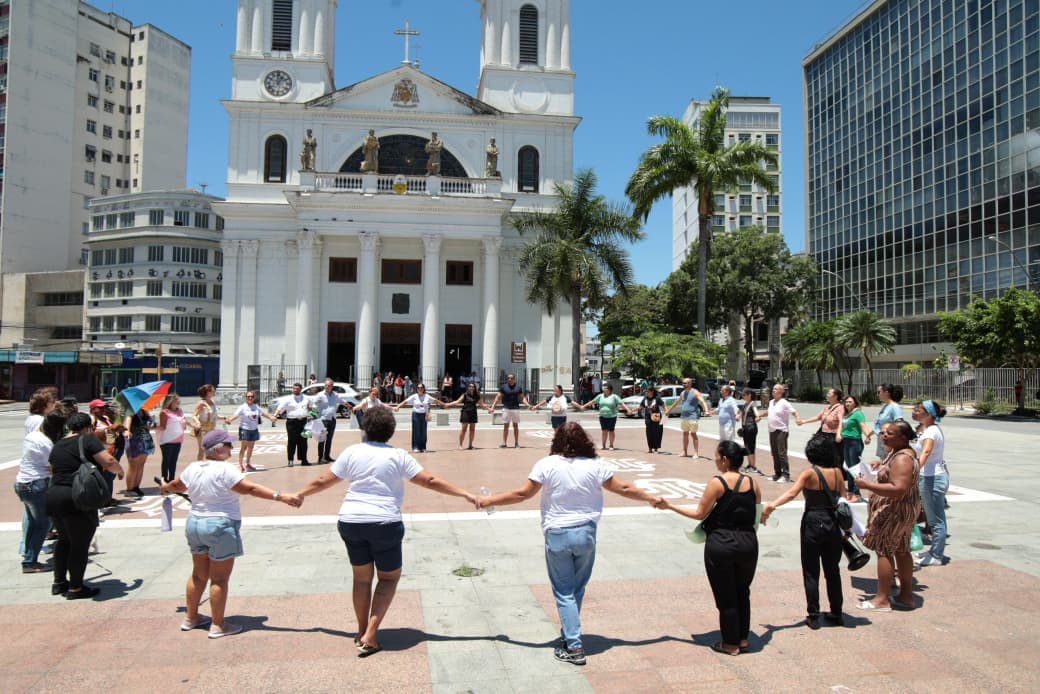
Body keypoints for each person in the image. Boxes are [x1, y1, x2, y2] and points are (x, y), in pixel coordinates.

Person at [293, 407, 476, 656]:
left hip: (351, 520)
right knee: (388, 578)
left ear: (365, 428)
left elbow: (323, 480)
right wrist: (465, 494)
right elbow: (429, 481)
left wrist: (299, 495)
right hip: (384, 523)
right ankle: (371, 633)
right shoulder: (398, 456)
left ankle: (360, 630)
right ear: (391, 431)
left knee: (361, 578)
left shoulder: (352, 452)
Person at [477, 422, 664, 665]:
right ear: (584, 441)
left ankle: (574, 646)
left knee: (563, 591)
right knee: (577, 587)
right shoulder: (596, 465)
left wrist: (489, 500)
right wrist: (651, 497)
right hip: (586, 533)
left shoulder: (547, 464)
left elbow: (522, 494)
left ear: (557, 441)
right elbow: (624, 487)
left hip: (557, 533)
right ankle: (569, 633)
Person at [161, 430, 301, 638]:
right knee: (219, 579)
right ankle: (218, 625)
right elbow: (249, 488)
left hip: (195, 523)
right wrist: (280, 497)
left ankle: (191, 618)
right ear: (217, 449)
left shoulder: (193, 467)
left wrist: (165, 488)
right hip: (219, 525)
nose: (231, 448)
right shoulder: (226, 470)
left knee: (198, 574)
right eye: (227, 445)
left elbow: (176, 485)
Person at [660, 441, 761, 656]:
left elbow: (699, 513)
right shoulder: (753, 483)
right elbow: (757, 516)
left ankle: (730, 644)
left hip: (722, 543)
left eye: (716, 456)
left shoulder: (717, 483)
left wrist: (669, 505)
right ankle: (743, 638)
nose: (715, 459)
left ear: (724, 459)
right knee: (743, 591)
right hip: (748, 542)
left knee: (726, 595)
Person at [761, 433, 847, 629]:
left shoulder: (809, 473)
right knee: (833, 570)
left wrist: (771, 505)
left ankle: (814, 614)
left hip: (813, 521)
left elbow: (792, 493)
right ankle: (837, 612)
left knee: (811, 571)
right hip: (833, 523)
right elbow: (843, 500)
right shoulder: (837, 472)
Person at [45, 412, 124, 598]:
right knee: (79, 544)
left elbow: (51, 468)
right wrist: (119, 470)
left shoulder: (57, 445)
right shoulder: (87, 440)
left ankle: (59, 583)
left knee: (63, 540)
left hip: (54, 496)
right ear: (88, 427)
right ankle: (76, 588)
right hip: (76, 497)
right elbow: (109, 460)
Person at [855, 419, 921, 611]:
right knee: (901, 549)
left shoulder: (902, 458)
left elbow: (898, 488)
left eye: (889, 433)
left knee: (884, 550)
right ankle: (906, 596)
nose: (884, 436)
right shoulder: (898, 453)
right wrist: (881, 465)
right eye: (883, 432)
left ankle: (882, 599)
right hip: (903, 509)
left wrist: (867, 485)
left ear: (903, 437)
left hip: (895, 511)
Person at [16, 408, 68, 573]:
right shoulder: (47, 443)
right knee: (43, 524)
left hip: (21, 483)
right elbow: (52, 467)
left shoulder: (32, 436)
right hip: (37, 484)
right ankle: (30, 562)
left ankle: (28, 555)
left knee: (33, 522)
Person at [911, 400, 949, 567]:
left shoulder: (931, 432)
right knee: (933, 518)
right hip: (930, 477)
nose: (914, 411)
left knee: (936, 520)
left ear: (927, 414)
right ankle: (934, 551)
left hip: (932, 479)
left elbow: (925, 452)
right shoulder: (928, 429)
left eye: (918, 410)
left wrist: (914, 469)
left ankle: (936, 555)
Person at [225, 391, 276, 472]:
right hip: (245, 429)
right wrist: (230, 420)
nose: (250, 398)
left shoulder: (256, 407)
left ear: (254, 397)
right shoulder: (242, 407)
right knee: (244, 447)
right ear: (246, 397)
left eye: (252, 396)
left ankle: (248, 464)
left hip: (254, 429)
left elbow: (263, 414)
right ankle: (241, 465)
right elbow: (236, 415)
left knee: (251, 448)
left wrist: (271, 417)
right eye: (248, 396)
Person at [836, 395, 872, 502]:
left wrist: (868, 436)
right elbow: (841, 426)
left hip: (854, 443)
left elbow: (863, 426)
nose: (848, 404)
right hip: (846, 442)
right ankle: (850, 492)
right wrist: (839, 434)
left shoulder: (858, 414)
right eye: (846, 402)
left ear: (855, 403)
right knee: (848, 468)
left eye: (850, 402)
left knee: (855, 469)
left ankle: (857, 494)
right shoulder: (847, 415)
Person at [762, 384, 799, 483]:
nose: (773, 390)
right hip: (772, 430)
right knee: (774, 453)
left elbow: (794, 412)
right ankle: (777, 474)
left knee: (781, 453)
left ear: (781, 391)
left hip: (781, 431)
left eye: (776, 389)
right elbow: (769, 412)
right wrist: (760, 416)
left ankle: (786, 475)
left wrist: (798, 419)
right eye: (773, 388)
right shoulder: (771, 402)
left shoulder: (784, 403)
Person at [394, 383, 446, 453]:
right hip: (416, 414)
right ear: (417, 389)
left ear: (423, 389)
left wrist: (444, 404)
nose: (420, 389)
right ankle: (415, 447)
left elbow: (435, 401)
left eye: (421, 387)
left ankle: (423, 447)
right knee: (416, 431)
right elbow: (405, 402)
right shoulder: (414, 396)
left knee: (423, 432)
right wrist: (398, 406)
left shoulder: (427, 396)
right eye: (418, 388)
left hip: (424, 415)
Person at [666, 378, 711, 458]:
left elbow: (702, 401)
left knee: (693, 434)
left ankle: (696, 453)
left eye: (686, 383)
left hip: (692, 416)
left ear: (690, 383)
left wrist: (706, 410)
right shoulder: (683, 393)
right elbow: (676, 403)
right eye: (683, 383)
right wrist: (668, 411)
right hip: (684, 416)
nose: (684, 384)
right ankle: (684, 452)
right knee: (685, 434)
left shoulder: (695, 392)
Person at [579, 383, 630, 450]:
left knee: (611, 431)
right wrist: (584, 406)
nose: (603, 389)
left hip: (612, 416)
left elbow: (622, 403)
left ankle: (611, 445)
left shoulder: (614, 396)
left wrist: (628, 409)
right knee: (604, 431)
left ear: (609, 389)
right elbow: (592, 401)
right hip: (602, 416)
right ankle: (603, 445)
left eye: (605, 388)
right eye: (603, 388)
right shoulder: (600, 396)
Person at [488, 373, 531, 448]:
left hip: (515, 409)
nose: (509, 379)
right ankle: (504, 443)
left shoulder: (518, 387)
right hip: (506, 409)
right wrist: (493, 407)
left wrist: (528, 405)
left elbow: (522, 398)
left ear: (514, 379)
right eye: (508, 378)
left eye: (511, 378)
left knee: (515, 426)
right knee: (506, 427)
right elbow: (498, 397)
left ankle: (516, 443)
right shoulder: (503, 387)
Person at [275, 383, 313, 466]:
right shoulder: (288, 399)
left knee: (304, 441)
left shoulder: (307, 399)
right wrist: (275, 416)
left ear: (301, 389)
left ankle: (304, 460)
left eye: (297, 389)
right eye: (294, 388)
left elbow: (311, 408)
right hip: (292, 422)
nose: (295, 390)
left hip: (304, 422)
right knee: (292, 441)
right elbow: (280, 408)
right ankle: (290, 460)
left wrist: (313, 417)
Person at [122, 406, 155, 498]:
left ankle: (136, 487)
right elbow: (128, 420)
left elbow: (150, 424)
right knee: (133, 464)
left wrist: (149, 425)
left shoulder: (144, 411)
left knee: (141, 464)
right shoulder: (131, 411)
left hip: (145, 439)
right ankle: (129, 489)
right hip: (134, 439)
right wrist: (127, 430)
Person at [443, 382, 482, 450]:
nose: (471, 388)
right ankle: (460, 445)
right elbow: (457, 402)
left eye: (472, 386)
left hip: (473, 412)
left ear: (475, 388)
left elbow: (482, 405)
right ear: (468, 387)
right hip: (465, 412)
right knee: (464, 429)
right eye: (470, 386)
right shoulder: (465, 395)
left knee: (472, 430)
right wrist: (448, 404)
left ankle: (470, 445)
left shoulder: (477, 395)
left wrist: (490, 408)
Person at [157, 394, 186, 483]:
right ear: (170, 402)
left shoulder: (180, 411)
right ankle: (164, 480)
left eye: (178, 401)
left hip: (178, 439)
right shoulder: (164, 412)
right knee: (167, 460)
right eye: (176, 401)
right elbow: (162, 426)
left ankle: (171, 480)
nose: (178, 402)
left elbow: (183, 421)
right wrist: (151, 427)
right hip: (168, 440)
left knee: (173, 461)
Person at [314, 378, 343, 463]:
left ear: (332, 386)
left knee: (329, 439)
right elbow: (313, 404)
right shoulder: (320, 395)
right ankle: (320, 458)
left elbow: (342, 401)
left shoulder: (335, 395)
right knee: (322, 439)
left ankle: (327, 456)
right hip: (323, 420)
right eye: (326, 385)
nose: (327, 387)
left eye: (329, 385)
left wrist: (350, 407)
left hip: (332, 419)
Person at [632, 385, 666, 453]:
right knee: (649, 433)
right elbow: (641, 407)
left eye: (647, 391)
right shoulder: (645, 398)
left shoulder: (657, 398)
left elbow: (663, 405)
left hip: (656, 417)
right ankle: (650, 448)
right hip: (648, 418)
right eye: (646, 392)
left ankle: (656, 447)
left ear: (652, 392)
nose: (646, 393)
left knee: (657, 433)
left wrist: (667, 411)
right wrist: (632, 410)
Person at [873, 383, 904, 458]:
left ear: (886, 393)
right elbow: (879, 423)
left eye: (879, 392)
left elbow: (899, 424)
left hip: (889, 442)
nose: (878, 394)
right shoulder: (885, 406)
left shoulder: (895, 407)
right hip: (882, 440)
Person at [738, 388, 764, 475]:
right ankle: (749, 464)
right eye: (743, 395)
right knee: (747, 446)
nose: (743, 396)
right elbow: (741, 413)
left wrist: (756, 419)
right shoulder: (745, 404)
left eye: (744, 395)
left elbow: (757, 415)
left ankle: (753, 466)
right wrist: (738, 416)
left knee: (750, 447)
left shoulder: (753, 404)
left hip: (751, 428)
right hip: (745, 428)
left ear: (749, 395)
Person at [191, 384, 219, 461]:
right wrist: (197, 422)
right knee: (202, 449)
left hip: (211, 427)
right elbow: (194, 415)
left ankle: (209, 467)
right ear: (208, 392)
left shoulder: (212, 402)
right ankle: (198, 467)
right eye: (213, 390)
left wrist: (224, 418)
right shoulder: (201, 403)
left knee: (211, 449)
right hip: (203, 428)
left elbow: (215, 415)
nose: (214, 392)